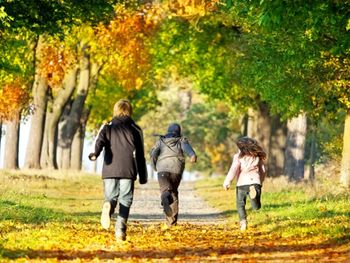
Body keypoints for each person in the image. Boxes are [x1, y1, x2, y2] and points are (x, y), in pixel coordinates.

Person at [88, 99, 147, 241]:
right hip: (128, 169)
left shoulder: (107, 127)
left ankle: (108, 207)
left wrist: (95, 154)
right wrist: (143, 175)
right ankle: (120, 231)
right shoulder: (135, 129)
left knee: (111, 197)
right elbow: (140, 154)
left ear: (116, 110)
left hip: (110, 168)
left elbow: (99, 141)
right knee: (126, 200)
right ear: (130, 111)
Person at [150, 123, 197, 227]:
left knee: (165, 191)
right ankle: (171, 223)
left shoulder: (160, 141)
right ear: (179, 132)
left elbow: (153, 154)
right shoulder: (181, 140)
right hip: (177, 169)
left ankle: (165, 196)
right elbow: (189, 151)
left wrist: (154, 166)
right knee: (174, 193)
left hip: (162, 169)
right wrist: (192, 156)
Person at [223, 136, 266, 231]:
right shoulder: (257, 156)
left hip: (242, 183)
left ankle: (243, 223)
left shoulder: (238, 157)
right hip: (255, 182)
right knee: (256, 206)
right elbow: (263, 170)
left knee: (240, 204)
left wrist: (227, 181)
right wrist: (260, 182)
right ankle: (254, 200)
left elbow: (233, 169)